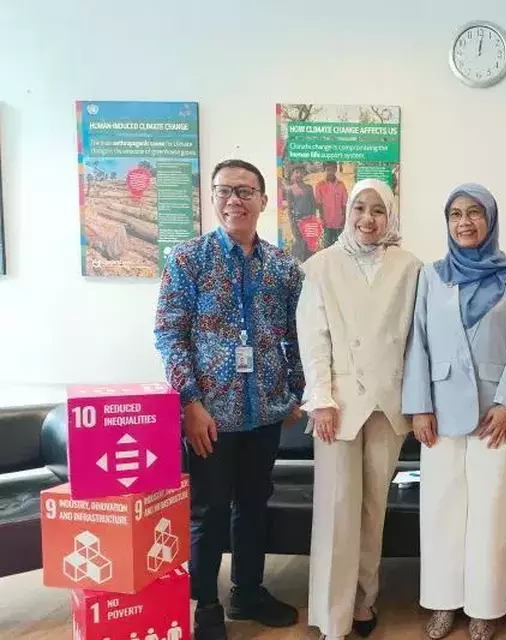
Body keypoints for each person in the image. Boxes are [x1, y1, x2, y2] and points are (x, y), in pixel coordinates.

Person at [154, 159, 304, 640]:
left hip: (264, 413)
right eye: (225, 191)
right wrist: (188, 403)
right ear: (213, 198)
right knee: (209, 511)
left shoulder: (284, 267)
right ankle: (207, 605)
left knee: (253, 505)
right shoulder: (187, 259)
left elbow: (300, 336)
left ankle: (248, 592)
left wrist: (296, 391)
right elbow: (169, 335)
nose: (234, 200)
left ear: (263, 200)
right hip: (209, 416)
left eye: (245, 191)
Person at [401, 184, 506, 640]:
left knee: (491, 509)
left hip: (493, 415)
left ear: (491, 219)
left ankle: (485, 606)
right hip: (438, 413)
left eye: (475, 213)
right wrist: (419, 407)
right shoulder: (431, 275)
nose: (465, 222)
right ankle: (442, 603)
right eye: (456, 214)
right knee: (440, 510)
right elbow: (417, 342)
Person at [298, 178, 422, 640]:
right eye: (359, 209)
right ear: (346, 213)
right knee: (336, 510)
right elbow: (314, 339)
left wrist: (416, 402)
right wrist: (322, 400)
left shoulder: (410, 267)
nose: (368, 219)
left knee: (374, 511)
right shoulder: (319, 266)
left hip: (388, 406)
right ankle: (332, 616)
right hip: (339, 406)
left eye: (378, 211)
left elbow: (416, 341)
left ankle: (365, 603)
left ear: (390, 217)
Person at [284, 164, 320, 260]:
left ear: (304, 174)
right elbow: (289, 209)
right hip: (298, 221)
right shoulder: (290, 190)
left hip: (309, 220)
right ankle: (298, 265)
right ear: (293, 174)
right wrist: (292, 223)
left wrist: (314, 221)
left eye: (301, 172)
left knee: (310, 244)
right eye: (297, 172)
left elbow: (313, 205)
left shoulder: (309, 188)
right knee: (299, 243)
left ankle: (309, 265)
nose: (299, 174)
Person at [314, 161, 349, 249]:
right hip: (327, 222)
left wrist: (344, 218)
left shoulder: (341, 185)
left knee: (340, 246)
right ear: (324, 170)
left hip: (339, 221)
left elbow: (344, 204)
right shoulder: (319, 185)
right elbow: (319, 204)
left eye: (332, 169)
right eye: (328, 169)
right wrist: (322, 219)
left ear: (335, 170)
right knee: (327, 246)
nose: (330, 172)